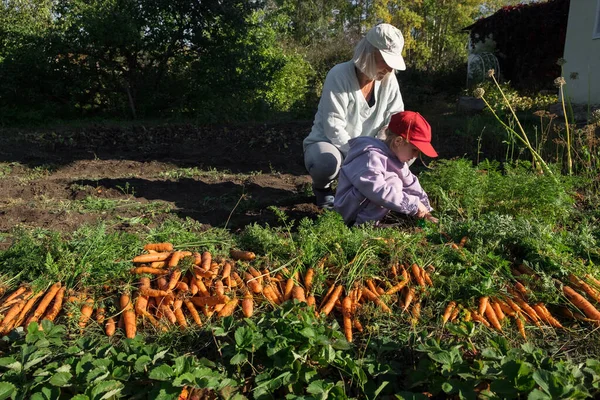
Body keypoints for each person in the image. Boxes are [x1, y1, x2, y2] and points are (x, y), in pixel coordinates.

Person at [303, 23, 406, 209]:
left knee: (405, 152)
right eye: (386, 61)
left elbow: (395, 120)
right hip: (331, 143)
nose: (390, 70)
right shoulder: (339, 75)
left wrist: (383, 151)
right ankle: (322, 188)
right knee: (324, 163)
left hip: (370, 148)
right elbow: (334, 127)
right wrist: (362, 157)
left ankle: (375, 193)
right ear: (369, 53)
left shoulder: (389, 81)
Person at [333, 110, 439, 227]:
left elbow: (411, 185)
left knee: (397, 183)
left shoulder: (397, 159)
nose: (415, 156)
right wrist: (413, 204)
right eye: (414, 150)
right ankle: (361, 226)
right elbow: (377, 190)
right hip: (349, 210)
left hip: (367, 205)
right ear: (398, 141)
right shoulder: (370, 157)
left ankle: (377, 221)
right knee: (393, 183)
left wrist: (426, 211)